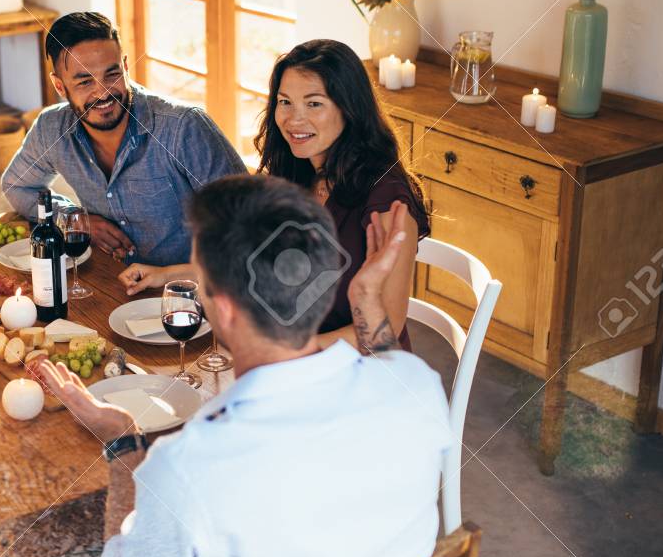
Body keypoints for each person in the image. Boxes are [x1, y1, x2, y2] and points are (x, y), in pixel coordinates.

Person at [12, 174, 452, 557]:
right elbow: (388, 361)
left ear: (220, 309)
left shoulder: (187, 467)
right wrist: (368, 301)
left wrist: (123, 447)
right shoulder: (417, 385)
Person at [119, 39, 430, 352]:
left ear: (349, 109)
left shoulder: (388, 200)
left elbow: (384, 330)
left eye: (314, 104)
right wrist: (166, 275)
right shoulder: (297, 173)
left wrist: (293, 353)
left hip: (364, 374)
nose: (294, 120)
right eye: (285, 102)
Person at [1, 11, 246, 266]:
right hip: (109, 281)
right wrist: (74, 219)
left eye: (112, 74)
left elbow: (247, 222)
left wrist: (176, 276)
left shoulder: (183, 127)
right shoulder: (51, 128)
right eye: (85, 82)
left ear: (126, 66)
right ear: (60, 87)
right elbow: (16, 186)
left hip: (187, 293)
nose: (103, 92)